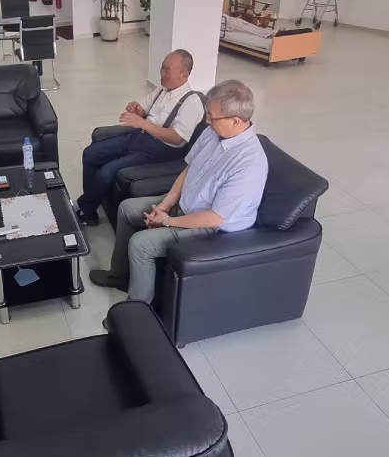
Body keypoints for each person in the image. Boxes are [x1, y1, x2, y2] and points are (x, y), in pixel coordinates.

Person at [89, 79, 267, 304]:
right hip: (185, 203)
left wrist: (166, 221)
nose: (208, 121)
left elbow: (214, 218)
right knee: (127, 208)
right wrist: (165, 205)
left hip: (211, 228)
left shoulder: (249, 164)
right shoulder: (214, 133)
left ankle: (137, 310)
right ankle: (121, 276)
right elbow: (189, 168)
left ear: (236, 121)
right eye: (207, 115)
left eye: (212, 117)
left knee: (141, 244)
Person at [74, 49, 204, 225]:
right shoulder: (161, 90)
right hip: (138, 137)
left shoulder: (192, 102)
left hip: (157, 151)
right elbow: (144, 109)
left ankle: (84, 209)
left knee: (107, 172)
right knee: (90, 153)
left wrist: (144, 124)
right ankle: (90, 204)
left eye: (167, 70)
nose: (161, 73)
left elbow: (177, 138)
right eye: (161, 68)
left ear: (184, 74)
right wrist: (137, 110)